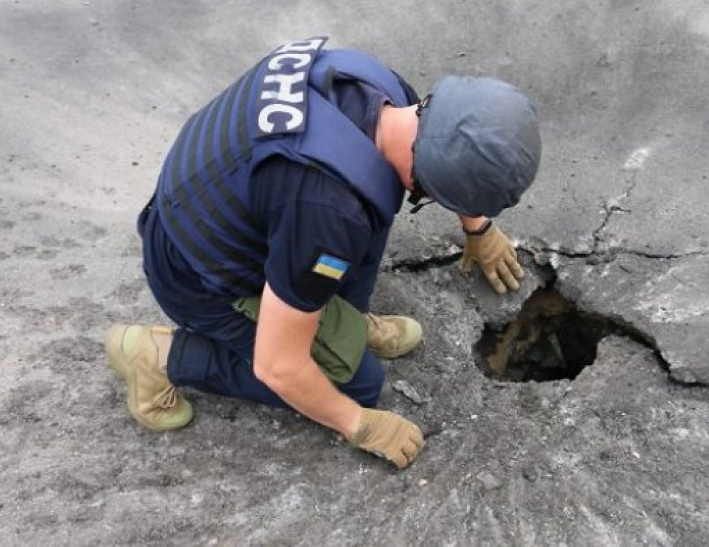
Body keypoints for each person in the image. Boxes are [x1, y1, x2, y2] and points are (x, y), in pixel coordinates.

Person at [105, 37, 540, 470]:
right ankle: (159, 357)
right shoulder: (326, 212)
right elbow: (278, 366)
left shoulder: (385, 91)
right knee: (357, 386)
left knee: (372, 196)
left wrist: (479, 227)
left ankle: (341, 321)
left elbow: (443, 145)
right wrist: (357, 424)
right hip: (194, 274)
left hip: (223, 198)